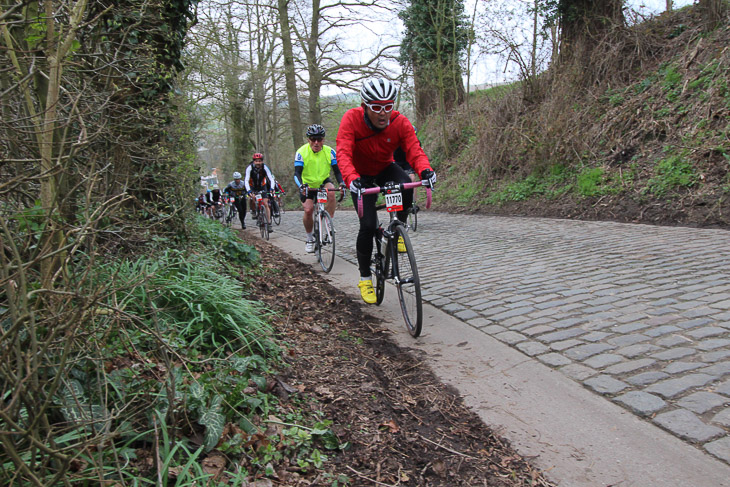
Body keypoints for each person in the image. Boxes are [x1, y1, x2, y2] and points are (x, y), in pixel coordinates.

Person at [336, 77, 436, 304]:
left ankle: (398, 227)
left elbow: (414, 150)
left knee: (405, 183)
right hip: (360, 176)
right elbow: (343, 152)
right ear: (365, 106)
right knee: (368, 226)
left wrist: (426, 171)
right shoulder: (351, 119)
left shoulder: (400, 122)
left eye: (388, 107)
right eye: (377, 108)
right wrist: (351, 178)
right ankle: (364, 277)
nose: (383, 113)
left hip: (384, 168)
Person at [294, 124, 345, 253]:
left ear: (323, 139)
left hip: (323, 181)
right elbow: (297, 173)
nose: (316, 142)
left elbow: (337, 171)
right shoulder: (301, 152)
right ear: (308, 139)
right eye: (313, 139)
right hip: (308, 184)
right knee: (308, 209)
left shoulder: (330, 151)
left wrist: (342, 183)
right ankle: (309, 238)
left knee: (332, 192)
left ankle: (328, 222)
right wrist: (301, 185)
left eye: (319, 139)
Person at [244, 152, 277, 233]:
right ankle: (254, 211)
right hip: (253, 186)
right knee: (253, 198)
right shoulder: (249, 168)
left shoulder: (265, 167)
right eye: (256, 161)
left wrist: (272, 188)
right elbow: (246, 180)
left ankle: (269, 223)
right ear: (254, 161)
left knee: (266, 204)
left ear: (262, 161)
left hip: (262, 186)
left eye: (260, 161)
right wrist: (248, 190)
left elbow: (271, 178)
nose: (258, 163)